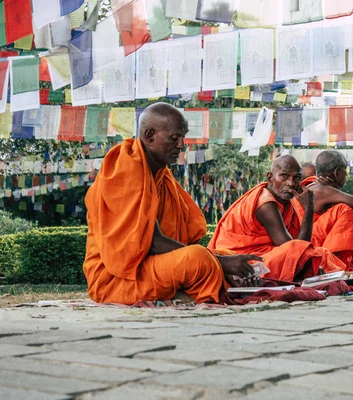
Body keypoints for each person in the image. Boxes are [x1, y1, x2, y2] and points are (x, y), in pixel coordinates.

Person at [83, 103, 262, 305]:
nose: (181, 145)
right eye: (175, 138)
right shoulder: (125, 168)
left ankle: (192, 289)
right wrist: (220, 263)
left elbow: (178, 241)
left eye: (183, 138)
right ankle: (194, 290)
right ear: (150, 135)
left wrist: (222, 260)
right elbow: (153, 242)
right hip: (118, 278)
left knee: (221, 256)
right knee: (202, 260)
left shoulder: (160, 175)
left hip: (152, 266)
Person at [208, 155, 346, 282]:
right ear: (270, 178)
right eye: (284, 176)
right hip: (241, 261)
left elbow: (298, 248)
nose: (291, 183)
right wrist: (309, 209)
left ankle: (342, 274)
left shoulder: (286, 202)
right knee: (309, 256)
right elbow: (296, 250)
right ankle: (338, 276)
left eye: (297, 178)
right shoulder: (265, 203)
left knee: (322, 253)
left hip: (266, 254)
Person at [297, 150, 353, 270]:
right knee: (345, 209)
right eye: (345, 172)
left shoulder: (316, 187)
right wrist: (336, 189)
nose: (346, 176)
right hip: (309, 246)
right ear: (337, 172)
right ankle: (337, 265)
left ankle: (343, 263)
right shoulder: (321, 189)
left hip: (309, 242)